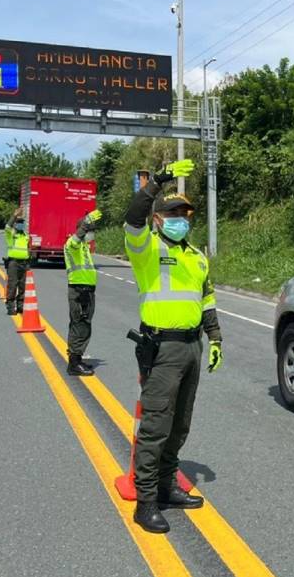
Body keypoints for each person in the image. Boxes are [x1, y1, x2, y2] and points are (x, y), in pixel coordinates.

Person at [123, 158, 223, 534]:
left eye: (185, 214)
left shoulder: (197, 258)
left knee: (180, 424)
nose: (181, 219)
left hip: (192, 347)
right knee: (156, 426)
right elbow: (133, 218)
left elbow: (207, 299)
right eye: (173, 213)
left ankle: (167, 486)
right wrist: (157, 182)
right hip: (162, 349)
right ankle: (146, 501)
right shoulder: (146, 249)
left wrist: (215, 338)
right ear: (159, 219)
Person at [64, 209, 102, 376]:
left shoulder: (84, 248)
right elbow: (75, 240)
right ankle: (74, 363)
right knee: (80, 325)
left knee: (83, 324)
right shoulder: (72, 245)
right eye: (90, 230)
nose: (92, 234)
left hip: (86, 291)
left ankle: (77, 358)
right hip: (79, 291)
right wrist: (85, 224)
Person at [4, 207, 30, 315]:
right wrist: (14, 216)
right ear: (15, 224)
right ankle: (10, 307)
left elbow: (27, 249)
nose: (20, 224)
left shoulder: (26, 236)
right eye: (18, 222)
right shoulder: (11, 235)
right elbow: (7, 227)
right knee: (13, 285)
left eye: (22, 222)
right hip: (13, 263)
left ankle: (20, 306)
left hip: (24, 263)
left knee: (23, 286)